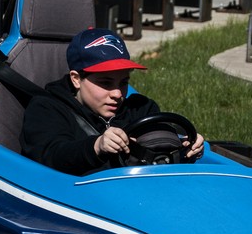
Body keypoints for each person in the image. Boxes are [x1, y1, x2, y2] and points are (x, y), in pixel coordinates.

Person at [21, 28, 206, 176]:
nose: (117, 94)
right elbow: (52, 156)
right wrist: (96, 147)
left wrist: (184, 146)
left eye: (124, 82)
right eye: (106, 83)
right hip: (78, 201)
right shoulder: (46, 108)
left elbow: (160, 145)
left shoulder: (140, 108)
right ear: (76, 79)